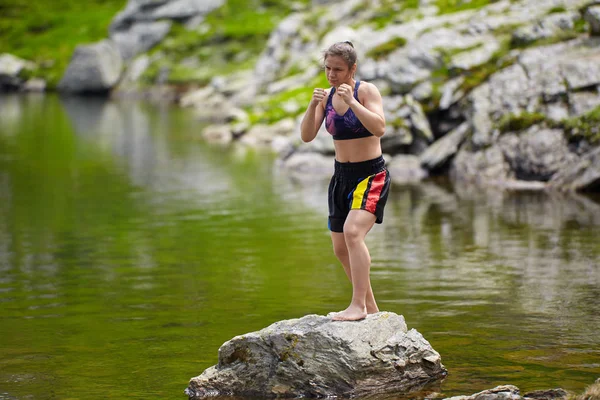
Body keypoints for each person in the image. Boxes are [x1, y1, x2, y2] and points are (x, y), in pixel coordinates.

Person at [300, 41, 391, 321]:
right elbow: (307, 136)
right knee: (340, 248)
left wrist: (352, 101)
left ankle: (357, 306)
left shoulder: (366, 90)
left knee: (353, 233)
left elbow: (380, 128)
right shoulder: (326, 96)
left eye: (338, 69)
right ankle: (372, 309)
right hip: (341, 177)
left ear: (352, 68)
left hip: (370, 175)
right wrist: (313, 105)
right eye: (327, 68)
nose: (331, 74)